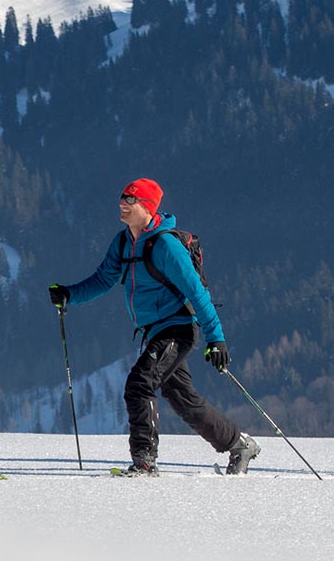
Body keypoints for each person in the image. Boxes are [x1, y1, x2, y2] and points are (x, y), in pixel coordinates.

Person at [47, 177, 260, 476]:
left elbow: (197, 293)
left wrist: (217, 339)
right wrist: (70, 294)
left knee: (139, 384)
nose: (122, 203)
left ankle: (145, 463)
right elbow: (103, 279)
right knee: (184, 401)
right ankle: (239, 443)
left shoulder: (166, 246)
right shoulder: (123, 242)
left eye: (130, 199)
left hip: (178, 329)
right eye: (122, 197)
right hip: (154, 332)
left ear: (147, 207)